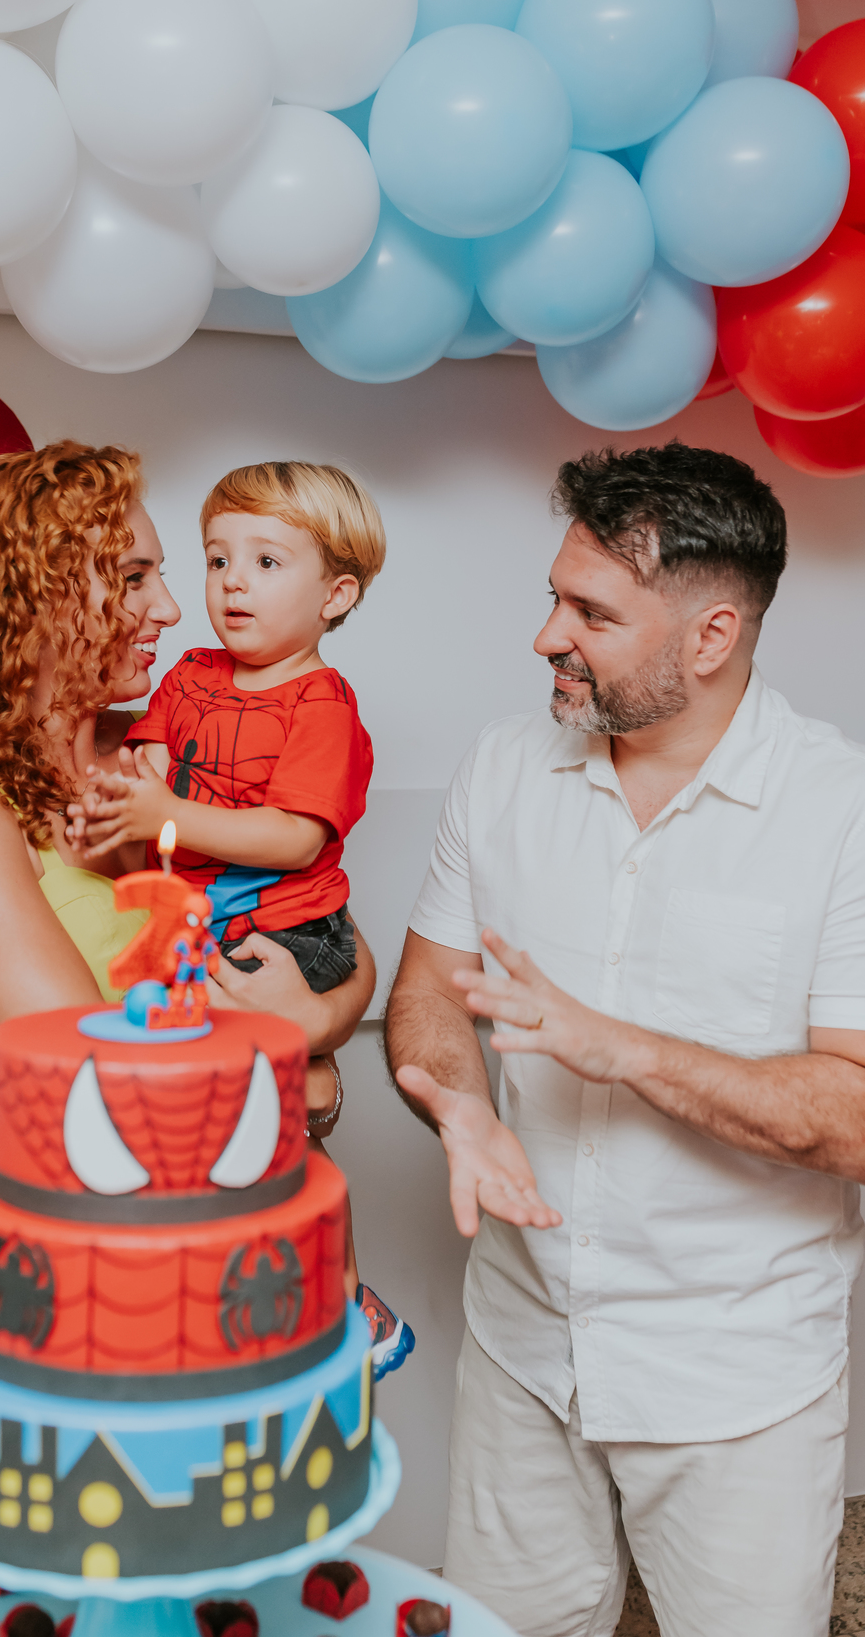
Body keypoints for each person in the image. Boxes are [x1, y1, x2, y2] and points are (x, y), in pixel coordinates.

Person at [384, 442, 865, 1637]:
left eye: (590, 611)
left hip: (735, 1376)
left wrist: (626, 1050)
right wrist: (461, 1107)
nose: (547, 634)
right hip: (522, 1346)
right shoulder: (503, 767)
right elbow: (430, 992)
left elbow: (855, 1117)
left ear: (709, 636)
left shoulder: (840, 813)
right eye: (553, 595)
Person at [0, 442, 374, 1079]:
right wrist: (307, 1067)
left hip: (288, 1171)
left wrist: (319, 1025)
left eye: (164, 575)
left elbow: (328, 925)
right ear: (31, 598)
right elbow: (96, 1072)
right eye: (133, 578)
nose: (172, 609)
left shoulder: (179, 742)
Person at [73, 461, 411, 1373]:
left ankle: (347, 1300)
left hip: (294, 931)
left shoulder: (322, 707)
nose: (230, 584)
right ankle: (277, 1297)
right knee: (234, 1130)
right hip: (208, 927)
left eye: (266, 563)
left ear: (337, 595)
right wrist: (138, 790)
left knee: (274, 1126)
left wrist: (165, 819)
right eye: (218, 559)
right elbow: (145, 760)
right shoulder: (188, 674)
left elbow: (297, 839)